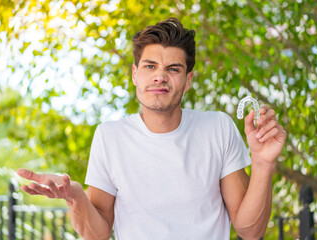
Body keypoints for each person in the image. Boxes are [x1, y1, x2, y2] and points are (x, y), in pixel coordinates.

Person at [17, 18, 287, 240]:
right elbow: (97, 233)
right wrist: (76, 197)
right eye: (150, 66)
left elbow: (251, 230)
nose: (160, 76)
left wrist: (262, 163)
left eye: (173, 68)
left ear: (188, 79)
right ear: (135, 74)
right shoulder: (110, 137)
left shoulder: (218, 128)